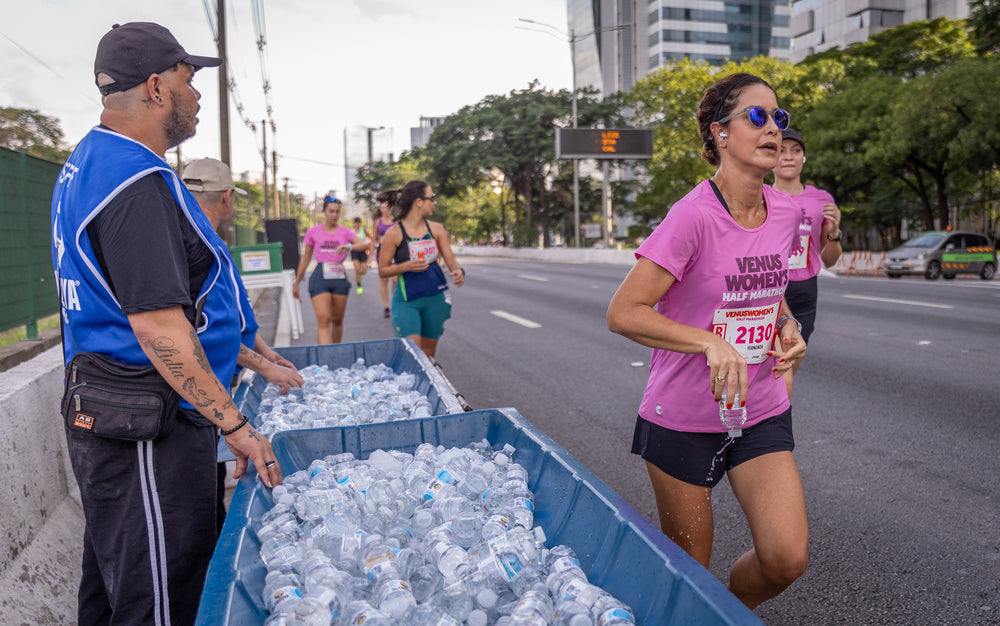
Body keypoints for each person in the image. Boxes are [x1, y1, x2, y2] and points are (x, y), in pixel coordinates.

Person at [50, 22, 281, 625]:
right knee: (162, 601)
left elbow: (148, 300)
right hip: (145, 426)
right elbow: (156, 326)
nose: (197, 92)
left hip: (116, 409)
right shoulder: (136, 183)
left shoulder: (91, 160)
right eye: (188, 78)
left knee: (117, 585)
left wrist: (249, 356)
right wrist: (234, 423)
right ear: (156, 87)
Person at [606, 73, 809, 609]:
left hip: (760, 406)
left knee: (785, 557)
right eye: (757, 117)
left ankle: (719, 613)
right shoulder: (692, 216)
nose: (774, 129)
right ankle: (698, 609)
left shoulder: (786, 211)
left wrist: (788, 324)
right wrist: (707, 342)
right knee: (688, 572)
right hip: (683, 419)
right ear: (720, 133)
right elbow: (623, 313)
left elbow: (772, 286)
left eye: (779, 118)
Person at [182, 157, 304, 534]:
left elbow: (235, 318)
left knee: (213, 483)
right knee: (201, 499)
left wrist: (266, 353)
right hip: (197, 396)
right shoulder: (194, 245)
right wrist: (266, 368)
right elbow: (202, 333)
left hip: (217, 387)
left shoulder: (209, 240)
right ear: (228, 198)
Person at [770, 128, 842, 396]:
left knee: (787, 367)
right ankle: (770, 425)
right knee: (771, 369)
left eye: (796, 151)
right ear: (772, 157)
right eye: (781, 150)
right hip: (769, 290)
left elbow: (831, 260)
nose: (788, 157)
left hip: (804, 292)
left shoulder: (821, 199)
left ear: (803, 158)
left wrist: (834, 232)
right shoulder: (761, 195)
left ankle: (769, 422)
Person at [378, 180, 464, 358]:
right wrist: (405, 266)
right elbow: (382, 270)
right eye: (431, 198)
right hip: (407, 301)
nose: (434, 202)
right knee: (414, 356)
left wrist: (458, 271)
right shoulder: (394, 233)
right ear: (419, 202)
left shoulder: (437, 229)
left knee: (428, 356)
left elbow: (451, 261)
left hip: (435, 299)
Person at [293, 195, 369, 343]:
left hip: (339, 277)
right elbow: (306, 257)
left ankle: (336, 354)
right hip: (320, 276)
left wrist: (349, 246)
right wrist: (296, 282)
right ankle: (325, 359)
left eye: (337, 211)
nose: (334, 215)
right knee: (323, 320)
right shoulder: (313, 232)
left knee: (337, 320)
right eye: (331, 211)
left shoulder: (345, 232)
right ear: (324, 211)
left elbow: (364, 244)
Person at [373, 189, 397, 318]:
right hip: (381, 251)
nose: (385, 210)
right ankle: (386, 307)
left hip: (394, 252)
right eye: (382, 208)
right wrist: (367, 259)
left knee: (394, 278)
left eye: (387, 207)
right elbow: (373, 241)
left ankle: (394, 302)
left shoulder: (396, 221)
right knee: (383, 280)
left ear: (391, 208)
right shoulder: (378, 223)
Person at [350, 216, 371, 294]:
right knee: (357, 269)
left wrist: (370, 244)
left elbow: (371, 237)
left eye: (358, 223)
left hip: (363, 252)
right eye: (355, 223)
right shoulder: (351, 232)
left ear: (360, 223)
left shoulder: (364, 231)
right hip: (354, 252)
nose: (357, 224)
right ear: (353, 223)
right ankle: (359, 286)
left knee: (364, 271)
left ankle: (360, 274)